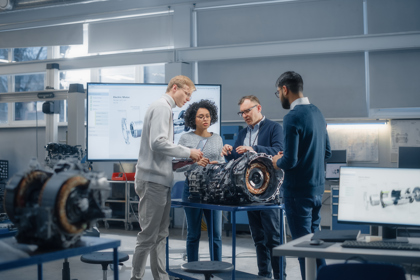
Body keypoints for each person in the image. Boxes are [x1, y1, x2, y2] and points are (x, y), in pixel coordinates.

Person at [131, 75, 203, 280]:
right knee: (148, 237)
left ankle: (161, 277)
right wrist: (188, 152)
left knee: (160, 236)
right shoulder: (162, 107)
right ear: (174, 88)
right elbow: (158, 143)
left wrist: (179, 162)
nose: (188, 99)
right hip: (153, 182)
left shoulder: (165, 109)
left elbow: (159, 151)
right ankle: (135, 278)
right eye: (187, 93)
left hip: (160, 181)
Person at [272, 71, 331, 280]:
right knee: (315, 246)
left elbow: (290, 161)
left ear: (285, 90)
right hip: (317, 191)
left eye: (278, 92)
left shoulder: (292, 117)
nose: (279, 96)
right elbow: (327, 152)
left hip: (297, 194)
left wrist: (276, 161)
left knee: (303, 249)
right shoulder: (318, 113)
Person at [221, 95, 285, 280]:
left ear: (259, 108)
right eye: (241, 112)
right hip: (250, 193)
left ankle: (280, 277)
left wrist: (254, 149)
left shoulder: (274, 128)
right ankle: (263, 276)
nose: (244, 115)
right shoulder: (242, 134)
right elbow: (237, 162)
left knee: (273, 238)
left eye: (247, 111)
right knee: (258, 239)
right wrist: (228, 153)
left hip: (269, 193)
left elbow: (279, 151)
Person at [175, 99, 225, 262]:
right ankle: (192, 271)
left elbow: (222, 164)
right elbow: (177, 166)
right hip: (192, 191)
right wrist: (193, 162)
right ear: (192, 119)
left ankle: (217, 270)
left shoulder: (217, 138)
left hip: (214, 191)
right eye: (201, 116)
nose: (205, 119)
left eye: (208, 116)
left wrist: (217, 165)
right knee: (193, 234)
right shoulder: (185, 139)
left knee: (216, 235)